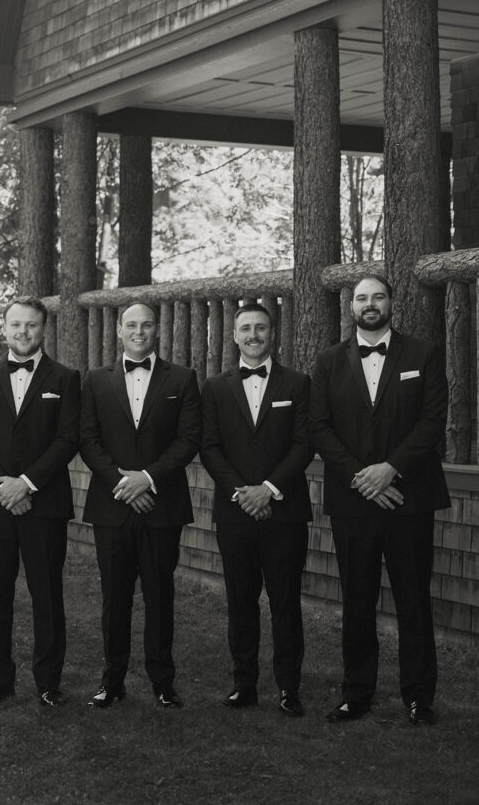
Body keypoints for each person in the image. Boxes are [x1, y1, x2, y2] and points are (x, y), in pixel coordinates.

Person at [311, 275, 449, 725]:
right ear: (351, 307)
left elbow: (432, 421)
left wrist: (390, 469)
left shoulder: (423, 354)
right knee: (357, 599)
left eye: (378, 296)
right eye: (362, 298)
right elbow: (320, 427)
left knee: (414, 599)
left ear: (391, 302)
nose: (370, 304)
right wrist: (361, 477)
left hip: (409, 496)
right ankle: (356, 693)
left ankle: (419, 696)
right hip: (353, 501)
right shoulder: (329, 361)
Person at [80, 301, 201, 708]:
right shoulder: (96, 379)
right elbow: (88, 440)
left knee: (159, 597)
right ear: (119, 329)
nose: (138, 332)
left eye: (146, 325)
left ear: (157, 329)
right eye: (131, 325)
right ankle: (112, 681)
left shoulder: (182, 378)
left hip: (161, 506)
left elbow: (188, 439)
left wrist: (147, 478)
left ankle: (163, 682)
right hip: (111, 506)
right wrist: (123, 483)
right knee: (114, 599)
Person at [0, 297, 80, 707]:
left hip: (44, 505)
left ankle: (48, 683)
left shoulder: (66, 378)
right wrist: (4, 488)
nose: (23, 332)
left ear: (43, 329)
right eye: (16, 324)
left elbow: (67, 439)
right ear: (4, 328)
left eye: (31, 325)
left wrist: (27, 484)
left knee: (46, 595)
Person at [200, 304, 313, 716]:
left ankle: (288, 688)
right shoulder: (215, 387)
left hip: (285, 511)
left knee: (286, 602)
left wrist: (267, 490)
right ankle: (243, 684)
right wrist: (243, 494)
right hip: (235, 513)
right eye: (245, 328)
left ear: (272, 333)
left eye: (260, 327)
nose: (253, 334)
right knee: (240, 601)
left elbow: (304, 443)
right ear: (234, 336)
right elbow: (209, 446)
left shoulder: (298, 384)